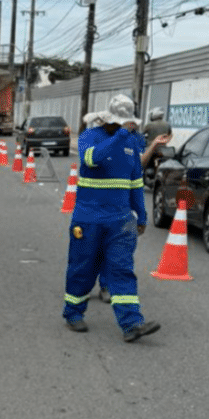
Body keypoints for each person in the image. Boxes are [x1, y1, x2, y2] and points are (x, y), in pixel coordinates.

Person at [62, 93, 160, 343]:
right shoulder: (89, 137)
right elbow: (91, 159)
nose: (125, 127)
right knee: (82, 269)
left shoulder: (132, 144)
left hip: (120, 221)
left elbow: (135, 183)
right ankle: (73, 312)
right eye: (120, 122)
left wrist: (142, 215)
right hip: (88, 219)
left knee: (122, 270)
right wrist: (119, 136)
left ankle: (132, 323)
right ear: (109, 119)